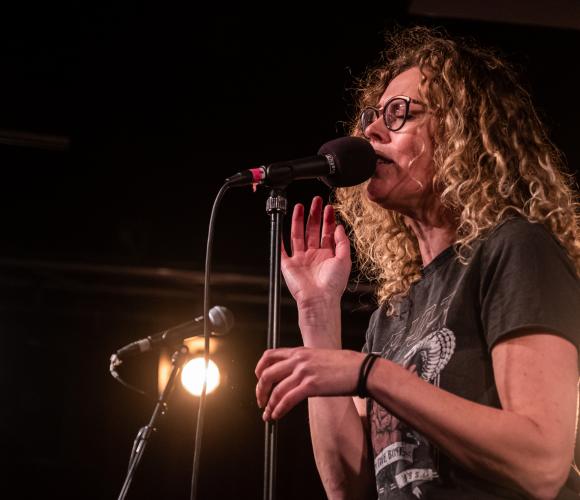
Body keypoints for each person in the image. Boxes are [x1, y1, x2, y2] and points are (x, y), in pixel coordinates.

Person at [254, 26, 579, 499]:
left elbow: (541, 462)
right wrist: (317, 314)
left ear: (463, 133)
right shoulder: (392, 315)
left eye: (399, 112)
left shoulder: (516, 250)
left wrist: (371, 373)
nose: (370, 131)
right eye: (372, 116)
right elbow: (349, 487)